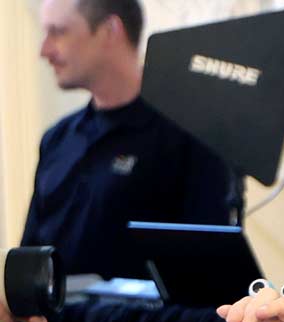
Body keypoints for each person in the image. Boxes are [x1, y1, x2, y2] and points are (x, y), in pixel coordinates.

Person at [17, 0, 235, 290]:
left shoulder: (189, 137)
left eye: (59, 32)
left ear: (110, 31)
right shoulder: (57, 138)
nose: (45, 50)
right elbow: (29, 262)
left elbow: (206, 279)